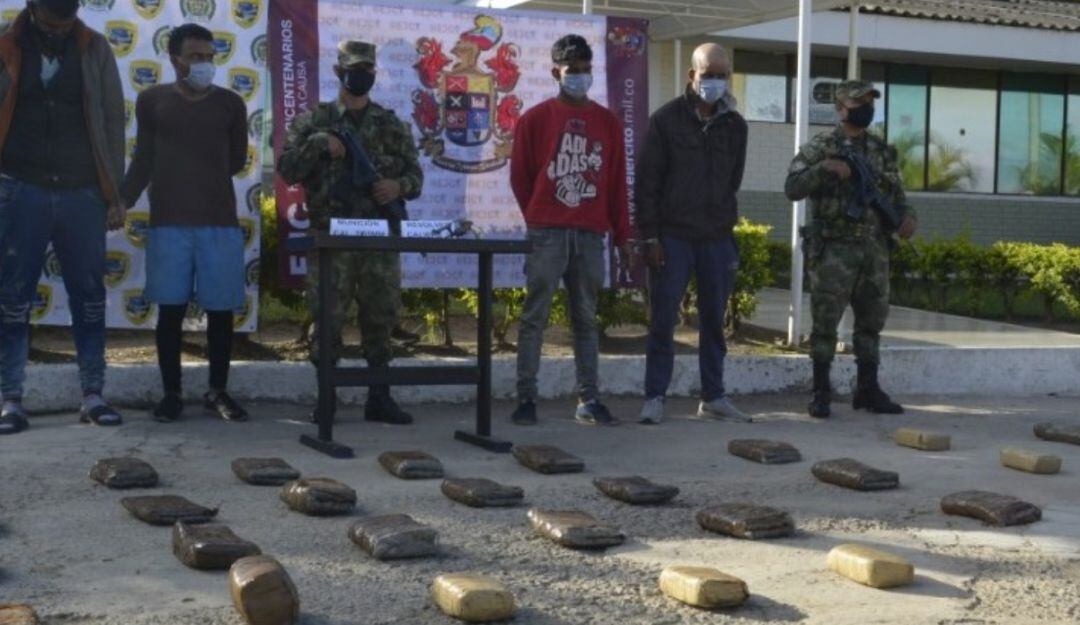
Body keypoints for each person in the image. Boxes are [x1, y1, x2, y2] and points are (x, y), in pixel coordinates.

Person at [278, 40, 422, 425]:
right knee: (327, 318)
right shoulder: (316, 120)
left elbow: (415, 176)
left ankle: (380, 397)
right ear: (339, 73)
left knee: (381, 317)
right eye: (354, 69)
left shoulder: (391, 125)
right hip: (332, 240)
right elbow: (288, 168)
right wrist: (318, 145)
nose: (361, 76)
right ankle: (327, 396)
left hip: (378, 239)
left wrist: (397, 187)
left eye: (368, 70)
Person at [0, 0, 126, 435]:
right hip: (19, 187)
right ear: (34, 8)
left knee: (89, 297)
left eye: (69, 16)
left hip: (83, 192)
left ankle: (93, 395)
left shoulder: (95, 48)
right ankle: (10, 399)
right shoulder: (6, 45)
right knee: (12, 298)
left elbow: (112, 120)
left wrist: (114, 194)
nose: (62, 24)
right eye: (55, 17)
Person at [120, 24, 249, 423]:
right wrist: (121, 201)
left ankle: (218, 391)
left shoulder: (231, 104)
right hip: (168, 224)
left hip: (219, 223)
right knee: (171, 311)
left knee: (221, 312)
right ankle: (172, 394)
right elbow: (142, 159)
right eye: (196, 57)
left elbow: (236, 162)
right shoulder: (152, 101)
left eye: (210, 57)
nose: (205, 64)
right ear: (175, 59)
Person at [509, 34, 631, 427]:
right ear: (555, 72)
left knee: (586, 316)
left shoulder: (607, 122)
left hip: (590, 234)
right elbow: (520, 176)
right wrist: (538, 214)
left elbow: (615, 184)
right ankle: (527, 398)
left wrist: (623, 234)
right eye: (572, 70)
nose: (580, 77)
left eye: (585, 70)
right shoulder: (536, 119)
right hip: (547, 232)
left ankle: (589, 399)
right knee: (535, 317)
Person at [784, 79, 917, 418]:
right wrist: (824, 168)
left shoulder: (882, 151)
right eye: (859, 103)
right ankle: (821, 392)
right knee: (825, 324)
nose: (866, 109)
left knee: (871, 323)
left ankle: (867, 389)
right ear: (841, 108)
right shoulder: (821, 146)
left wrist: (907, 218)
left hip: (874, 252)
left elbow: (899, 198)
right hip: (834, 252)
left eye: (870, 102)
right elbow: (792, 187)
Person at [634, 43, 750, 425]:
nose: (714, 82)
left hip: (716, 237)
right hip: (674, 237)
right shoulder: (666, 120)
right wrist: (650, 238)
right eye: (707, 75)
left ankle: (713, 396)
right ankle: (655, 397)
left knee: (714, 321)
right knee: (664, 319)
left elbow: (733, 180)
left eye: (721, 75)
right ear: (691, 76)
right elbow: (647, 184)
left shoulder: (736, 126)